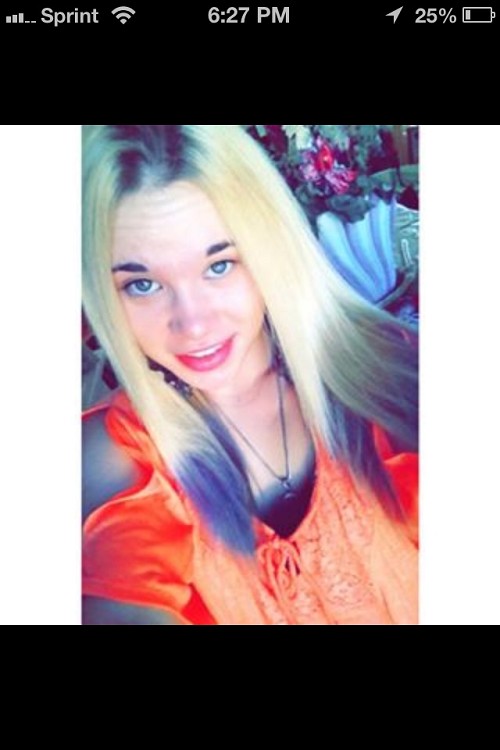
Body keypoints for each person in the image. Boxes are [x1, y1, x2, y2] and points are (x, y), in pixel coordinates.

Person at [82, 125, 418, 626]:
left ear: (269, 251)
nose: (194, 323)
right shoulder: (109, 459)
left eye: (220, 266)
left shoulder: (390, 375)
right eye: (143, 285)